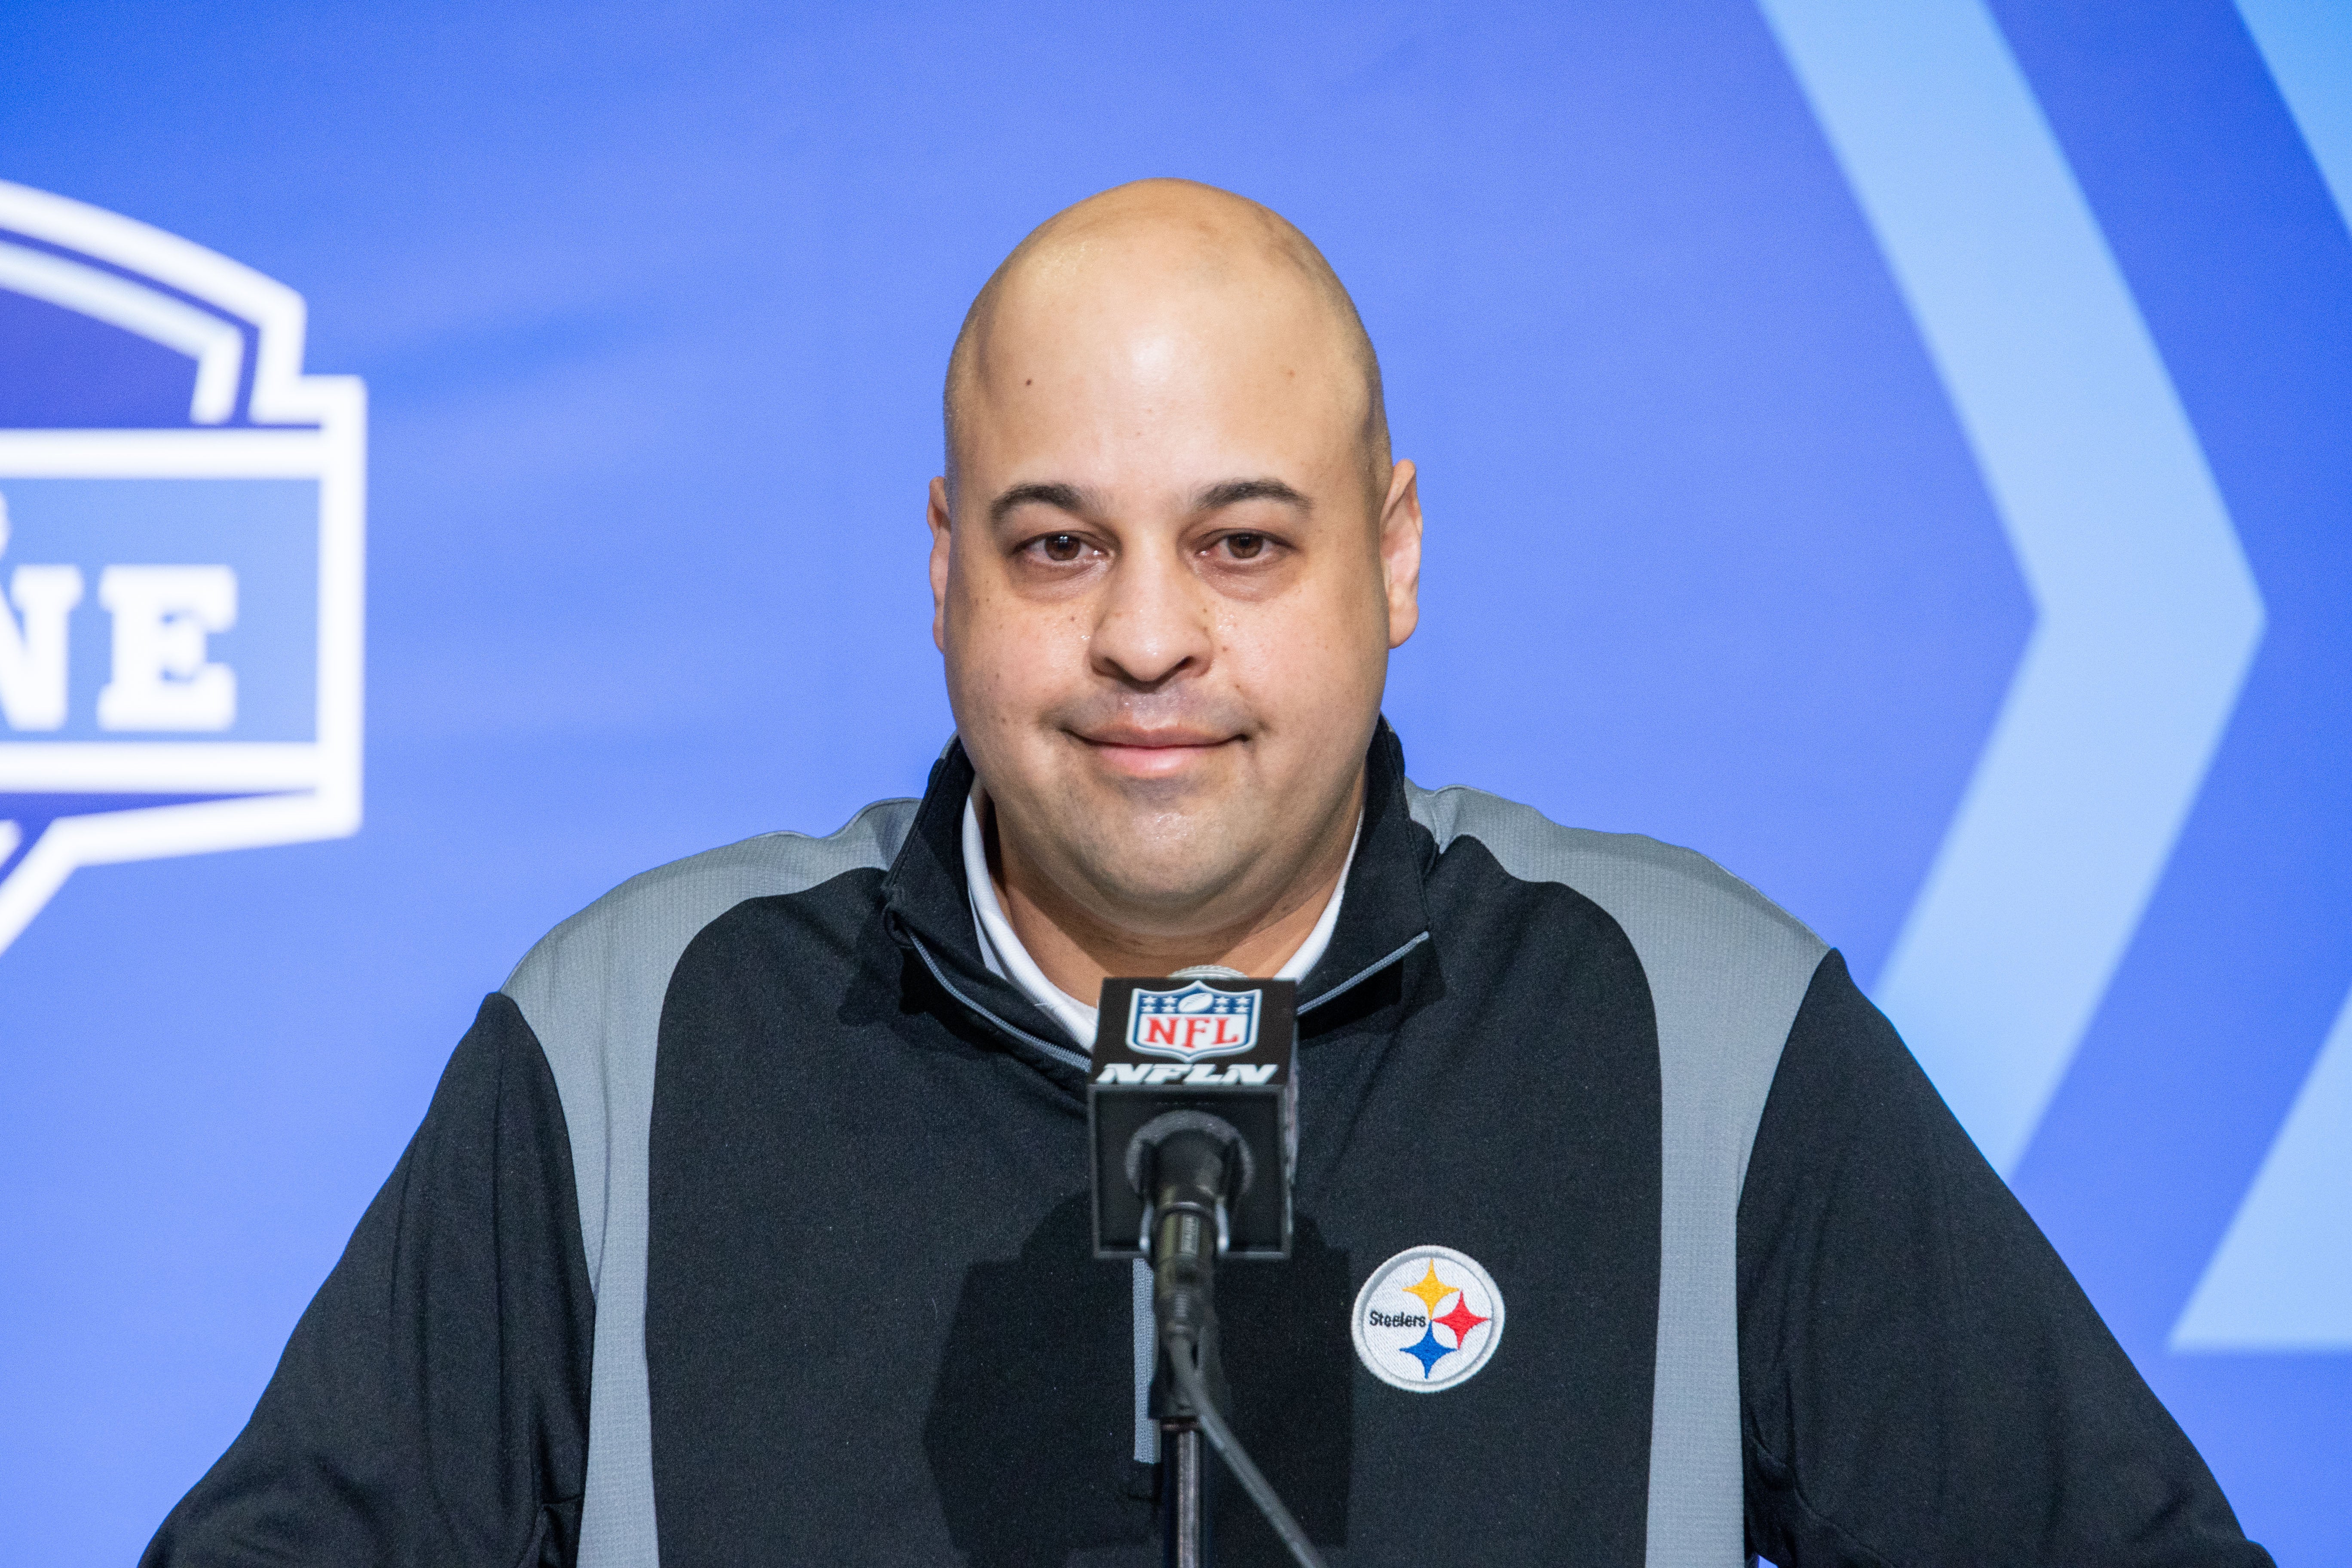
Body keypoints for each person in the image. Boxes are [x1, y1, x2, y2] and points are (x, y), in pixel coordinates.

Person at [144, 180, 2270, 1568]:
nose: (1147, 635)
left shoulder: (1697, 1029)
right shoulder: (627, 1036)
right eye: (1058, 544)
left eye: (1242, 543)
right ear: (946, 573)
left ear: (1398, 556)